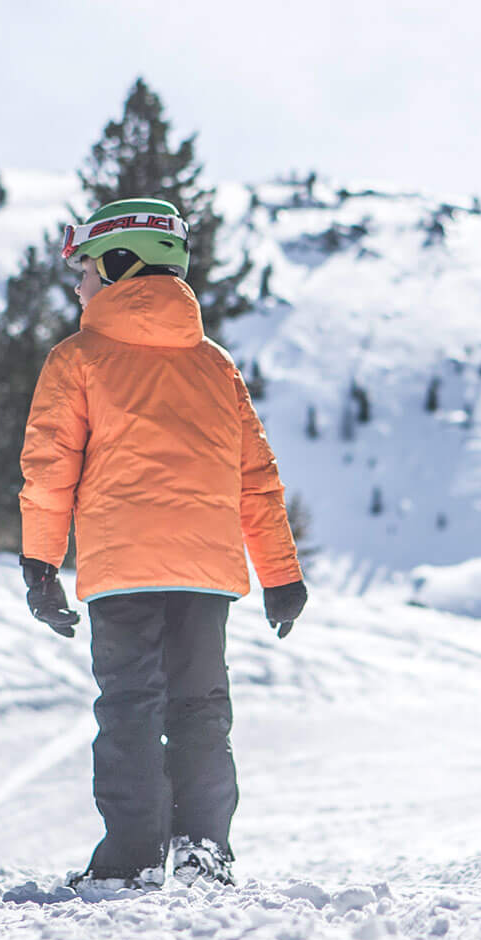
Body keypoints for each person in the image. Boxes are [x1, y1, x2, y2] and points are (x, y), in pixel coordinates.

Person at [17, 198, 307, 888]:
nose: (80, 285)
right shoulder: (216, 366)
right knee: (201, 707)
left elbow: (50, 468)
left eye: (86, 270)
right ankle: (205, 848)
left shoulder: (78, 358)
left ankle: (130, 857)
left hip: (122, 572)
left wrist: (40, 564)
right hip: (205, 575)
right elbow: (256, 479)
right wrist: (280, 575)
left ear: (120, 265)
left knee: (129, 709)